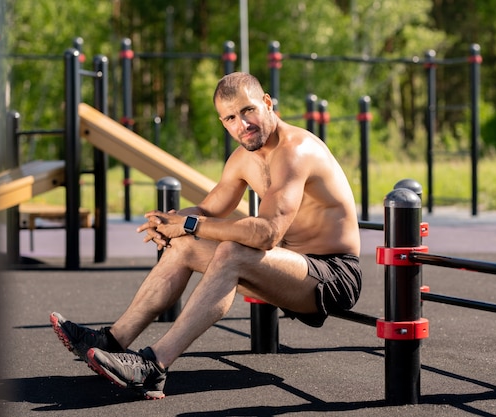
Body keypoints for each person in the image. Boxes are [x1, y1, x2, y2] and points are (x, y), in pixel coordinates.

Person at [50, 72, 362, 400]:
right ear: (222, 122)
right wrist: (170, 221)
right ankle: (112, 340)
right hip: (288, 271)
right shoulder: (243, 158)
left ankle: (154, 365)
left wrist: (189, 225)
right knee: (185, 245)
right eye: (231, 117)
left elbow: (268, 233)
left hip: (332, 276)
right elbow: (208, 210)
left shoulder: (296, 150)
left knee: (230, 253)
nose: (242, 123)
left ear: (268, 103)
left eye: (248, 110)